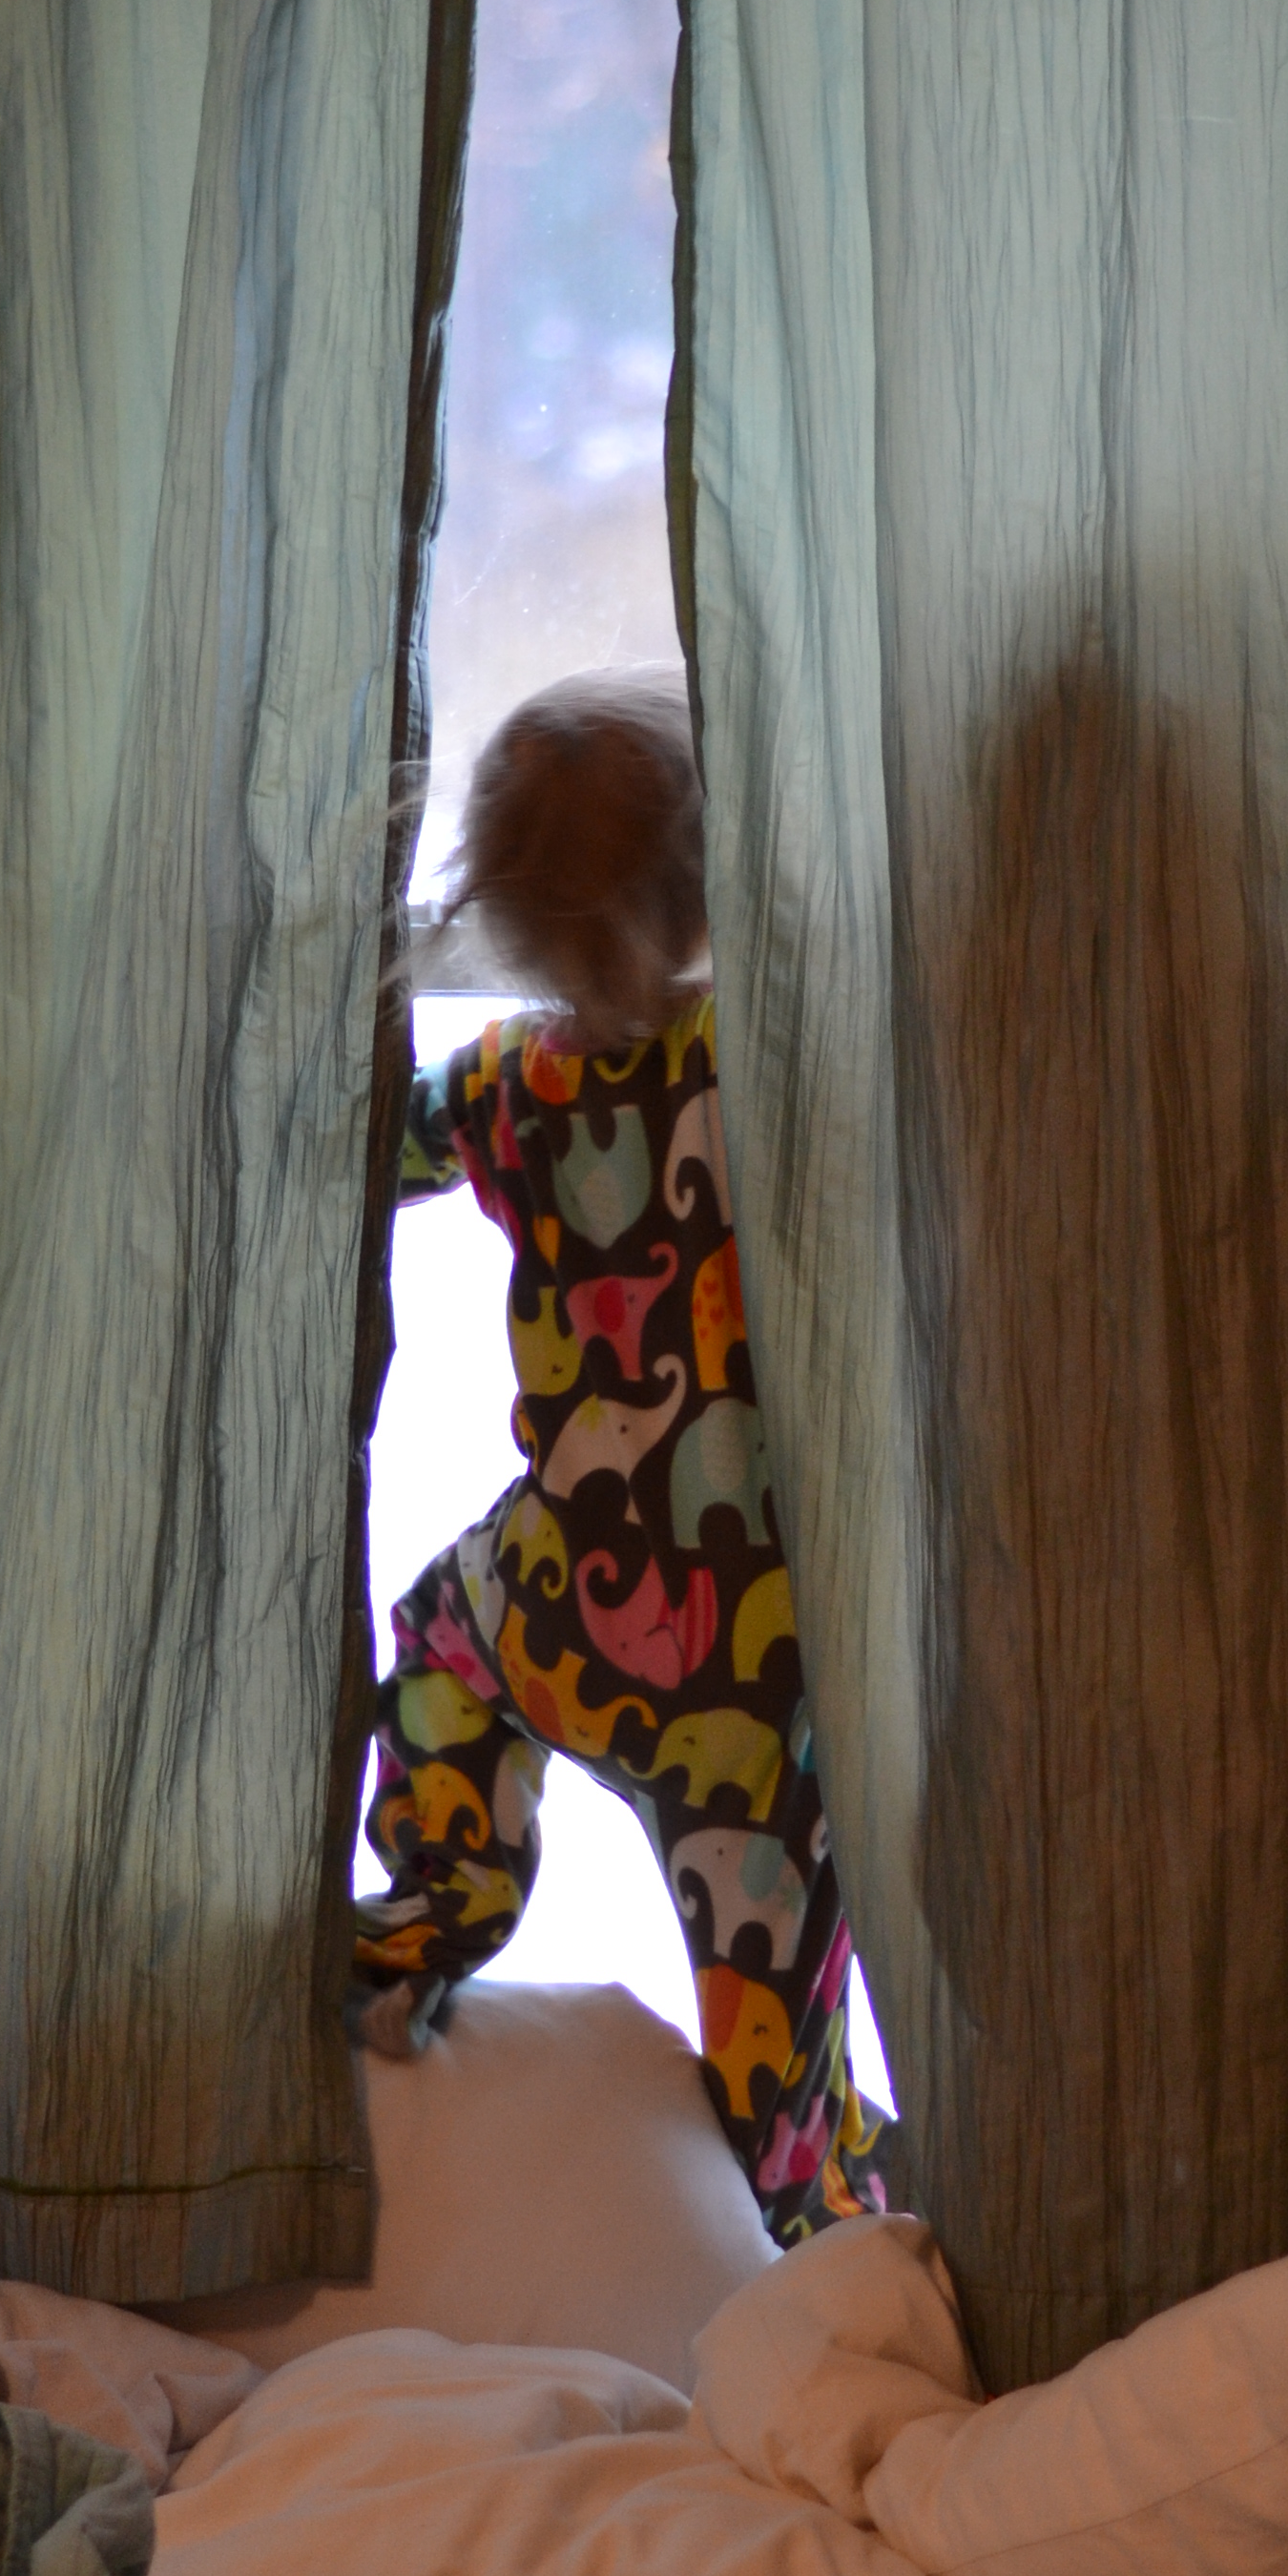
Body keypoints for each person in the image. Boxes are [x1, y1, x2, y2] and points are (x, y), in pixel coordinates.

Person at [352, 669, 888, 2242]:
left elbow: (380, 1155)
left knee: (437, 1641)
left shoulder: (505, 1085)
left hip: (564, 1608)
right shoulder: (769, 1066)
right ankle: (825, 2216)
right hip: (751, 1674)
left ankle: (428, 1912)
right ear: (718, 884)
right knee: (772, 2032)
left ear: (499, 922)